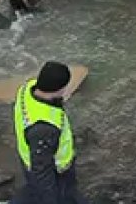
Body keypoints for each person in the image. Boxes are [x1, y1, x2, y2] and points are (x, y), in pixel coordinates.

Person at [13, 61, 85, 204]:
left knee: (34, 187)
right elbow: (42, 172)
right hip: (56, 170)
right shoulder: (44, 128)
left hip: (27, 155)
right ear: (60, 89)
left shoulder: (27, 89)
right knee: (59, 195)